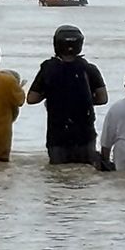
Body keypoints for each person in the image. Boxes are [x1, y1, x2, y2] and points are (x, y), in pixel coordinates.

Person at [27, 24, 108, 165]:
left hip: (57, 137)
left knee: (58, 178)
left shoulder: (48, 69)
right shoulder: (89, 69)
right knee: (84, 175)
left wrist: (50, 94)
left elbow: (31, 98)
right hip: (85, 136)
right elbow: (103, 98)